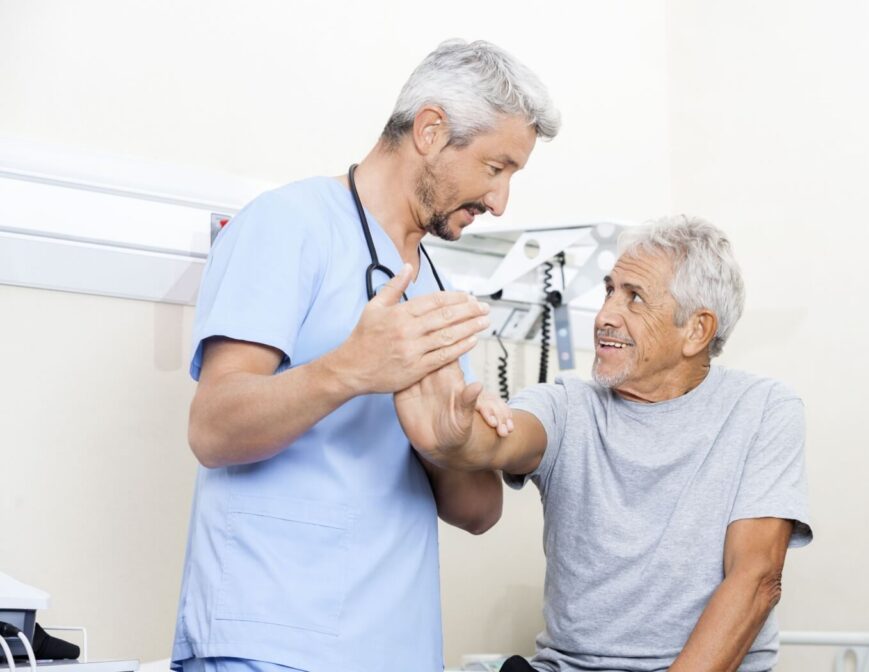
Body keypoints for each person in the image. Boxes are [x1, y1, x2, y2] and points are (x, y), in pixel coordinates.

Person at [171, 39, 560, 672]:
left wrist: (450, 444)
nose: (500, 202)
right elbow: (212, 428)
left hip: (396, 649)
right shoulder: (287, 224)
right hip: (270, 644)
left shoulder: (432, 289)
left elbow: (479, 512)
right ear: (431, 130)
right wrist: (349, 369)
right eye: (496, 168)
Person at [396, 215, 813, 672]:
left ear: (696, 330)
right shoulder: (566, 404)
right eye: (609, 291)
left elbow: (756, 578)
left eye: (634, 298)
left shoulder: (763, 409)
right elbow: (498, 441)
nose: (605, 316)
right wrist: (451, 437)